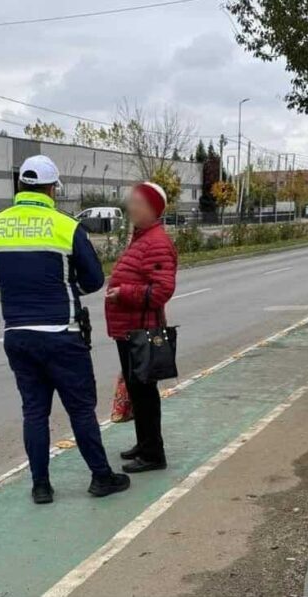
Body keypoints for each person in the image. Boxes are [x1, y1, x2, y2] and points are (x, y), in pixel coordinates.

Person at [0, 155, 130, 504]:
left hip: (17, 333)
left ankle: (41, 486)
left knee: (34, 411)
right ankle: (100, 477)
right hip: (63, 332)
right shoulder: (65, 226)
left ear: (20, 186)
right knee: (80, 408)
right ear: (51, 188)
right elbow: (93, 280)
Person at [105, 182, 178, 473]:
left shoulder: (156, 242)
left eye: (136, 202)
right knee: (138, 391)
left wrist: (123, 293)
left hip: (141, 331)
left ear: (151, 209)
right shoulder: (142, 237)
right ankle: (144, 443)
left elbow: (161, 290)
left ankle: (152, 454)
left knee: (145, 393)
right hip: (130, 330)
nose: (130, 207)